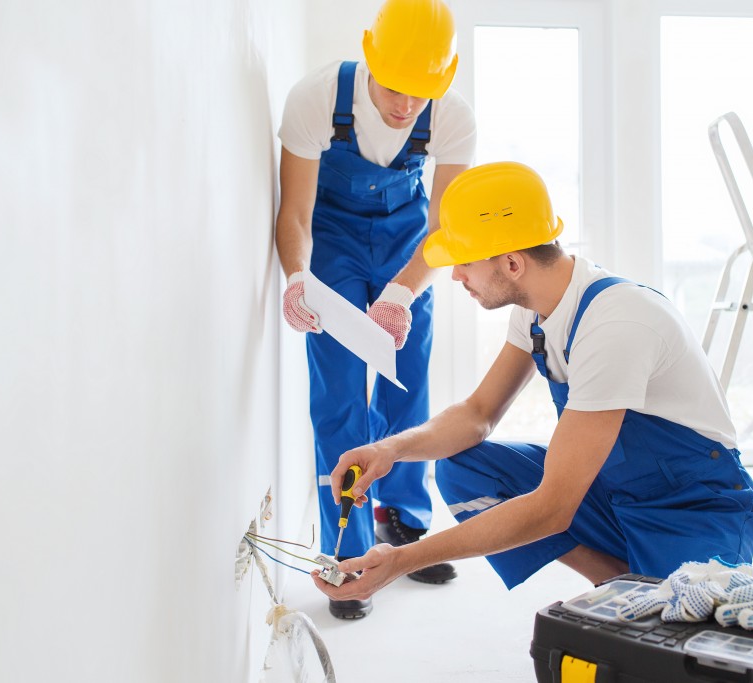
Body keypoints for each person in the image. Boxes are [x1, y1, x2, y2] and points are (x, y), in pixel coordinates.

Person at [312, 161, 753, 604]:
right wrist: (389, 450)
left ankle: (696, 579)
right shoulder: (536, 312)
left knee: (681, 631)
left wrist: (401, 561)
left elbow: (553, 508)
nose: (455, 276)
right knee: (463, 467)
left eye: (464, 262)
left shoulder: (617, 324)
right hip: (613, 491)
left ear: (511, 263)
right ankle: (621, 581)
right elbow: (475, 416)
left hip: (690, 504)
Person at [275, 0, 476, 619]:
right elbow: (295, 215)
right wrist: (298, 279)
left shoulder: (453, 117)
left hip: (408, 248)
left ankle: (404, 523)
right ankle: (346, 549)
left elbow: (444, 230)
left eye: (422, 93)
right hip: (329, 243)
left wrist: (400, 293)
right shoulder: (315, 100)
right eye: (395, 88)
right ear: (369, 56)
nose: (406, 106)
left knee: (406, 384)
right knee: (338, 396)